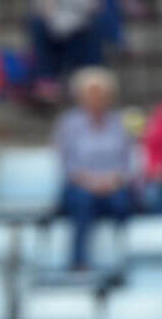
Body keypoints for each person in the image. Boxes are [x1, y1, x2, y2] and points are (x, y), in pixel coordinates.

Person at [55, 66, 134, 270]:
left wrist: (114, 180)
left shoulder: (119, 122)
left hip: (114, 184)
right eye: (91, 94)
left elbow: (127, 161)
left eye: (101, 94)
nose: (96, 99)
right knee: (83, 202)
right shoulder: (69, 123)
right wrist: (91, 182)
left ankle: (124, 263)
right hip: (80, 184)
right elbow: (67, 163)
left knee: (123, 202)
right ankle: (79, 262)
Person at [142, 103, 162, 212]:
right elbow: (150, 151)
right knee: (152, 197)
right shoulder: (159, 115)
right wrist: (154, 170)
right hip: (157, 176)